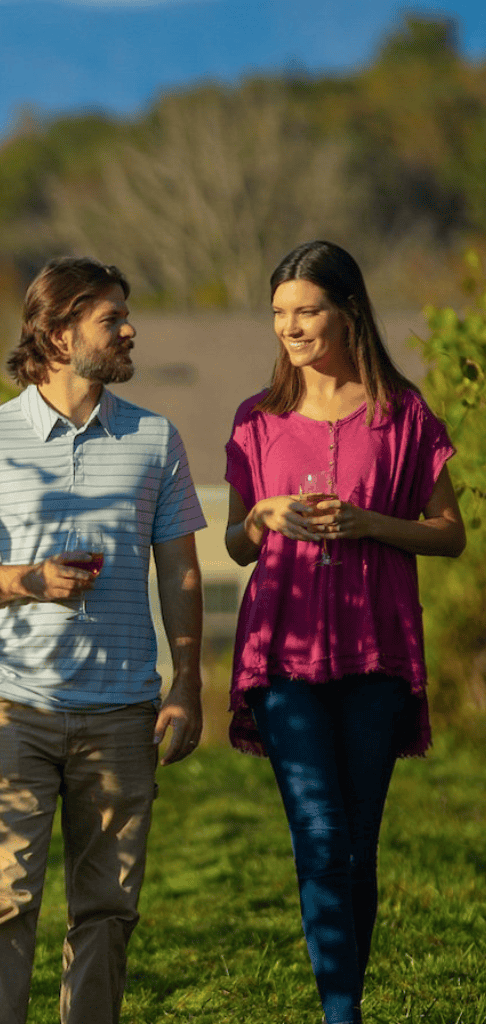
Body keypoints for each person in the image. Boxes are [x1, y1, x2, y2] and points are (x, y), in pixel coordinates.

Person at [0, 256, 205, 1024]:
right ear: (57, 333)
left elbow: (179, 569)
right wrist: (29, 582)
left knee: (108, 910)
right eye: (112, 318)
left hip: (122, 711)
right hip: (14, 707)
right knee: (6, 903)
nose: (129, 330)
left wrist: (186, 684)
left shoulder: (155, 438)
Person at [223, 241, 466, 1024]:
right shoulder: (255, 421)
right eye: (279, 315)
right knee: (321, 837)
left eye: (306, 310)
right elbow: (235, 541)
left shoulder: (404, 414)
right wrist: (262, 516)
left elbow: (449, 533)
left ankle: (345, 1005)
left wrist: (370, 524)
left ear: (348, 310)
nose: (290, 327)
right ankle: (341, 1014)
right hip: (283, 650)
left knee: (359, 840)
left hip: (376, 650)